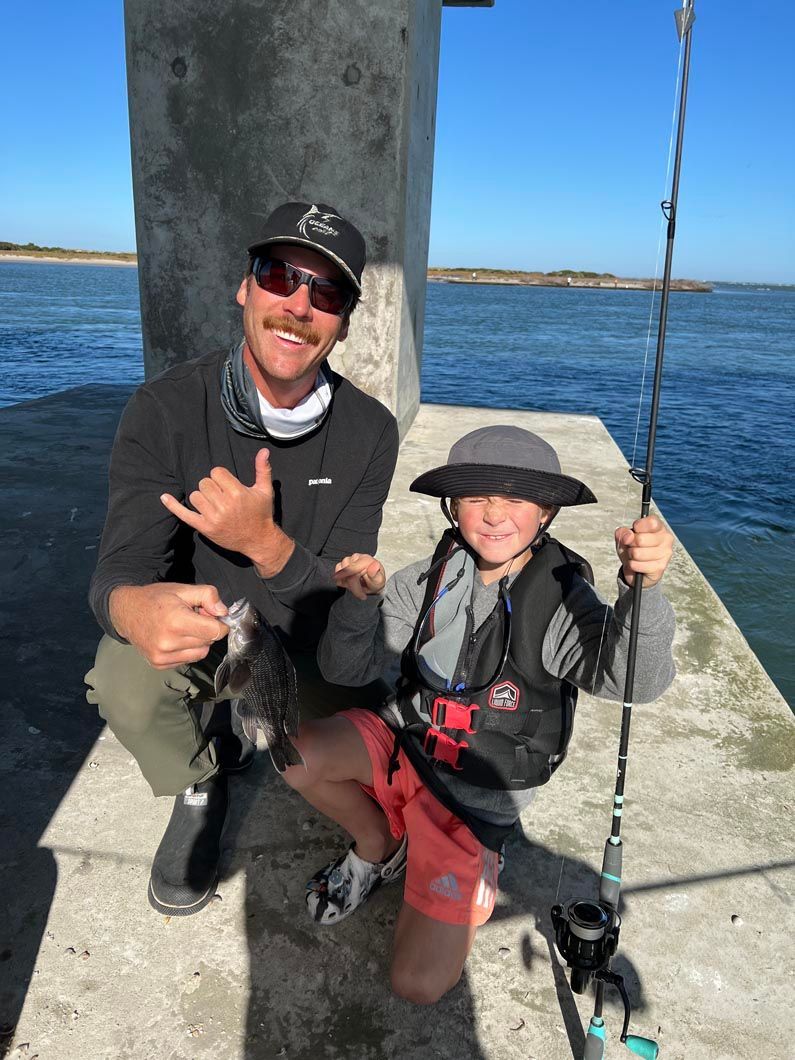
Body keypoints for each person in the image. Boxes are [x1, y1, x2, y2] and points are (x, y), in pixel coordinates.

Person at [280, 425, 676, 1004]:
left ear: (546, 512)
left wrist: (642, 594)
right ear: (452, 506)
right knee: (293, 753)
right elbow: (344, 668)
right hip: (405, 745)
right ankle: (377, 847)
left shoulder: (563, 596)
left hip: (476, 798)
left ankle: (478, 859)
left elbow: (632, 682)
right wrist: (358, 604)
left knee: (416, 985)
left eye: (516, 498)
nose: (494, 514)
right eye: (475, 496)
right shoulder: (427, 576)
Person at [85, 201, 399, 917]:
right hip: (209, 633)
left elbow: (341, 602)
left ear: (344, 319)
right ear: (244, 287)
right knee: (123, 679)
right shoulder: (164, 408)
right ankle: (200, 782)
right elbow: (117, 570)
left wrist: (264, 542)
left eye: (325, 293)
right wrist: (133, 608)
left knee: (363, 717)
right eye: (277, 275)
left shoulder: (369, 432)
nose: (297, 305)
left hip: (301, 639)